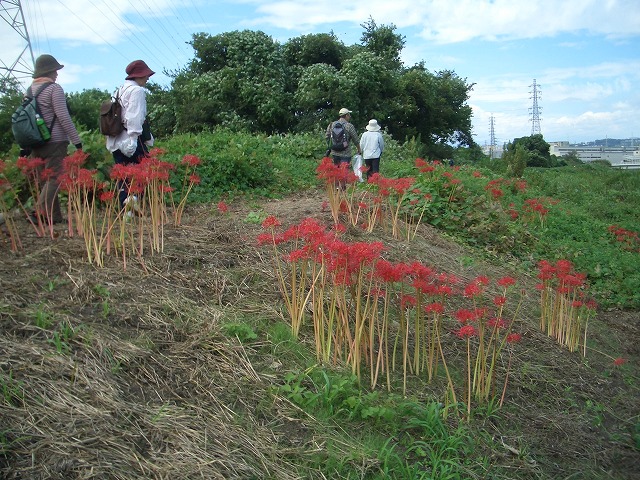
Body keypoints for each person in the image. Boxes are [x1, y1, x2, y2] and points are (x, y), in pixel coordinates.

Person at [25, 54, 83, 224]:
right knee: (55, 177)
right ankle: (40, 212)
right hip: (55, 141)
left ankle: (54, 216)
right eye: (55, 70)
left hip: (35, 141)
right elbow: (63, 117)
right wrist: (76, 141)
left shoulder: (29, 90)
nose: (57, 74)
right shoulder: (54, 89)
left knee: (45, 179)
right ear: (49, 71)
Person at [105, 59, 155, 207]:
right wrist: (133, 139)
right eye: (145, 75)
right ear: (138, 76)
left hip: (117, 139)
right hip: (131, 139)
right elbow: (135, 117)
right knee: (140, 174)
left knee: (123, 175)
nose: (147, 78)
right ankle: (132, 209)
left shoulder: (119, 90)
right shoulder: (137, 91)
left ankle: (125, 211)